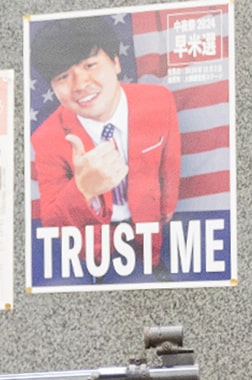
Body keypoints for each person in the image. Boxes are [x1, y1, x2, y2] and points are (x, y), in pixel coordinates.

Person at [30, 15, 180, 270]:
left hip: (148, 225)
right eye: (63, 76)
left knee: (158, 273)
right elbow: (53, 224)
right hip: (95, 242)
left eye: (90, 65)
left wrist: (164, 212)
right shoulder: (46, 138)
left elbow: (169, 165)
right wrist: (83, 188)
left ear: (116, 62)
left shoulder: (158, 101)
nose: (80, 85)